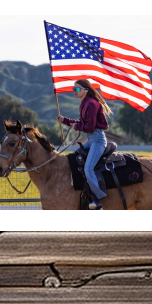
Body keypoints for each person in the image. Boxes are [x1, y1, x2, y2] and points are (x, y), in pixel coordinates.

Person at [57, 79, 112, 210]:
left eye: (77, 89)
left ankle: (98, 199)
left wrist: (75, 126)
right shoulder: (84, 103)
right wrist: (65, 120)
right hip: (91, 139)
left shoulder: (91, 104)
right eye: (73, 89)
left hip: (98, 140)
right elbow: (82, 123)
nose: (74, 91)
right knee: (73, 158)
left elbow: (90, 127)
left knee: (88, 168)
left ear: (86, 90)